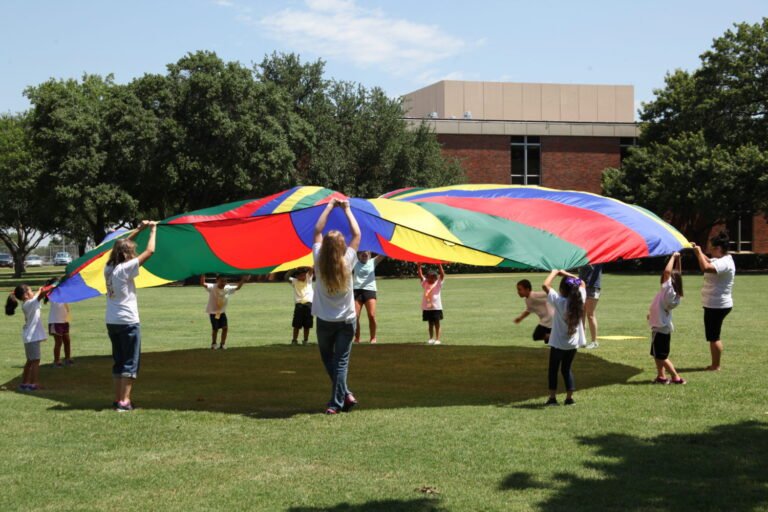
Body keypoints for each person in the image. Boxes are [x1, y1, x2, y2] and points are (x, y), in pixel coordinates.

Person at [312, 198, 361, 415]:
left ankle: (336, 403)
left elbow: (316, 230)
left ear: (324, 247)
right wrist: (347, 209)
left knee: (329, 359)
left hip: (324, 320)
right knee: (340, 362)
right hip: (347, 321)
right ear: (342, 247)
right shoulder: (348, 262)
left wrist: (329, 206)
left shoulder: (318, 262)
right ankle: (345, 394)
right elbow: (357, 234)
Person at [104, 220, 157, 412]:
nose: (133, 254)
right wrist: (153, 229)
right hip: (127, 321)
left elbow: (120, 244)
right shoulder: (124, 269)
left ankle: (118, 399)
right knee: (129, 362)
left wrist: (139, 229)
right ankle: (125, 402)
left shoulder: (109, 268)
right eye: (131, 252)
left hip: (112, 320)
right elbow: (150, 251)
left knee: (119, 361)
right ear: (126, 254)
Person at [542, 269, 587, 406]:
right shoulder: (580, 299)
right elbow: (582, 283)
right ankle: (569, 398)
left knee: (553, 370)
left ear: (562, 289)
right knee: (566, 369)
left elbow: (545, 285)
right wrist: (568, 275)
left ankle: (552, 398)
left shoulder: (559, 301)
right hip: (572, 345)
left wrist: (556, 272)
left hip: (558, 344)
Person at [692, 231, 735, 371]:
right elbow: (709, 262)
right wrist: (696, 251)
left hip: (717, 305)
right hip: (715, 304)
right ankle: (715, 364)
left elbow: (706, 267)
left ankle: (716, 366)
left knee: (713, 336)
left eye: (711, 248)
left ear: (718, 249)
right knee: (713, 335)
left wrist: (698, 253)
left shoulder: (725, 262)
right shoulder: (722, 260)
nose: (709, 250)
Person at [648, 252, 686, 385]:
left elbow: (667, 272)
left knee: (661, 356)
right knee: (657, 354)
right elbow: (676, 274)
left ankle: (676, 377)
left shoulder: (668, 291)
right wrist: (678, 260)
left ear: (671, 282)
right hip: (661, 326)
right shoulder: (674, 293)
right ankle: (661, 376)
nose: (663, 279)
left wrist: (673, 257)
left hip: (660, 327)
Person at [5, 284, 49, 391]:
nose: (32, 292)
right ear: (26, 294)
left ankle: (25, 383)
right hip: (32, 337)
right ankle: (34, 384)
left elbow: (37, 295)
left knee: (30, 361)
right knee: (35, 361)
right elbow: (41, 295)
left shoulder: (27, 303)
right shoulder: (30, 303)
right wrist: (53, 285)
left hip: (29, 337)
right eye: (30, 290)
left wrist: (39, 290)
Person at [201, 273, 249, 350]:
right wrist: (202, 274)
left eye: (225, 281)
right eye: (221, 281)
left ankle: (222, 344)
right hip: (213, 312)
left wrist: (243, 279)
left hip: (222, 312)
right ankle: (213, 343)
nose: (223, 283)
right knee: (215, 329)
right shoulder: (212, 287)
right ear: (217, 280)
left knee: (225, 328)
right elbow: (203, 283)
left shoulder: (227, 288)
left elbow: (237, 287)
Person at [353, 251, 384, 344]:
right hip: (356, 291)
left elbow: (384, 253)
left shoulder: (372, 261)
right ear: (358, 255)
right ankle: (357, 338)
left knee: (371, 315)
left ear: (369, 255)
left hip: (369, 291)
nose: (364, 256)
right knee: (355, 316)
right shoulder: (354, 261)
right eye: (362, 254)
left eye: (366, 254)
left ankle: (373, 338)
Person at [514, 279, 554, 344]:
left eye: (520, 289)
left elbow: (548, 293)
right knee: (547, 340)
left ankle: (556, 337)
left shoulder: (534, 295)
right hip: (548, 320)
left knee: (537, 336)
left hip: (548, 319)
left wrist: (549, 288)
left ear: (527, 289)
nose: (518, 292)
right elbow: (529, 310)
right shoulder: (527, 299)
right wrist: (520, 318)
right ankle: (556, 339)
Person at [417, 263, 445, 345]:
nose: (430, 279)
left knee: (437, 323)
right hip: (427, 308)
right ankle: (431, 338)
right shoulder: (425, 283)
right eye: (429, 277)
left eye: (432, 277)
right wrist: (419, 266)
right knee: (430, 324)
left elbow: (442, 274)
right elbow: (420, 275)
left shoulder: (438, 283)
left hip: (436, 308)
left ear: (436, 278)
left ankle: (438, 339)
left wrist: (439, 265)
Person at [578, 264, 602, 349]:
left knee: (590, 315)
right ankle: (582, 340)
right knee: (581, 314)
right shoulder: (581, 256)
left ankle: (594, 342)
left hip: (593, 287)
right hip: (581, 286)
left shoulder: (597, 256)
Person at [287, 267, 314, 345]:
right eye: (299, 275)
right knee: (296, 324)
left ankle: (305, 340)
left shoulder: (308, 279)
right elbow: (286, 277)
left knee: (307, 325)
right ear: (296, 276)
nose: (301, 276)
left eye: (303, 274)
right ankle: (294, 340)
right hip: (299, 305)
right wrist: (294, 268)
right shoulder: (294, 281)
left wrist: (306, 266)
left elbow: (311, 269)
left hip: (308, 304)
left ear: (305, 274)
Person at [48, 297, 73, 367]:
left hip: (64, 320)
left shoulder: (64, 293)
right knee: (58, 342)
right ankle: (56, 361)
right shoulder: (52, 294)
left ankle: (67, 358)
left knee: (67, 340)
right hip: (55, 321)